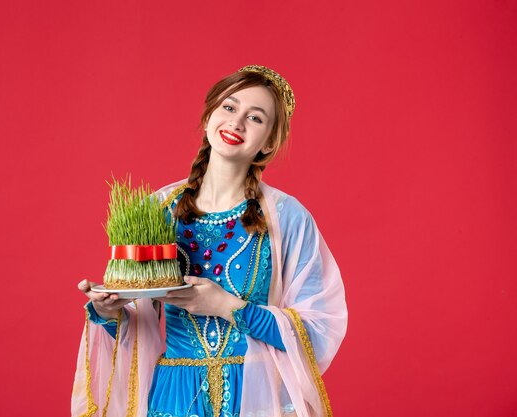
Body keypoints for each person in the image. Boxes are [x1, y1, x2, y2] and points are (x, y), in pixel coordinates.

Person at [72, 65, 348, 417]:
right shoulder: (159, 209)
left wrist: (226, 306)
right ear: (209, 116)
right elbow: (138, 321)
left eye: (256, 118)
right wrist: (107, 310)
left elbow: (316, 334)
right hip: (174, 398)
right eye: (229, 108)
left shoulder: (286, 216)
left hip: (255, 398)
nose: (237, 123)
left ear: (269, 143)